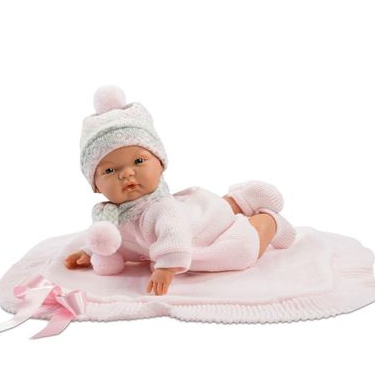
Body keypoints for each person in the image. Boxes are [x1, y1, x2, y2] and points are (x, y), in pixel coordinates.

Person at [65, 86, 296, 296]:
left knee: (240, 252)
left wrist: (166, 267)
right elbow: (122, 242)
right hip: (195, 211)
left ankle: (266, 221)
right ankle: (236, 201)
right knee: (210, 208)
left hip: (198, 232)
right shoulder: (109, 217)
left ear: (161, 163)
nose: (126, 174)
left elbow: (174, 235)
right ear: (95, 185)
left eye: (138, 161)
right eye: (109, 170)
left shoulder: (162, 209)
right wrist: (91, 252)